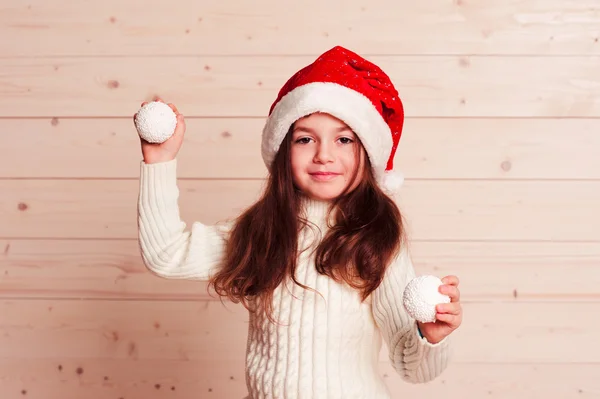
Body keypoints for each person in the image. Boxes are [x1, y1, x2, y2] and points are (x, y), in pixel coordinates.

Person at [134, 46, 462, 399]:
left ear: (366, 152)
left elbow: (412, 367)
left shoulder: (377, 241)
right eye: (305, 138)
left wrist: (430, 335)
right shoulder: (259, 232)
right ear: (282, 151)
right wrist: (160, 161)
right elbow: (165, 254)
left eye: (344, 139)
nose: (324, 154)